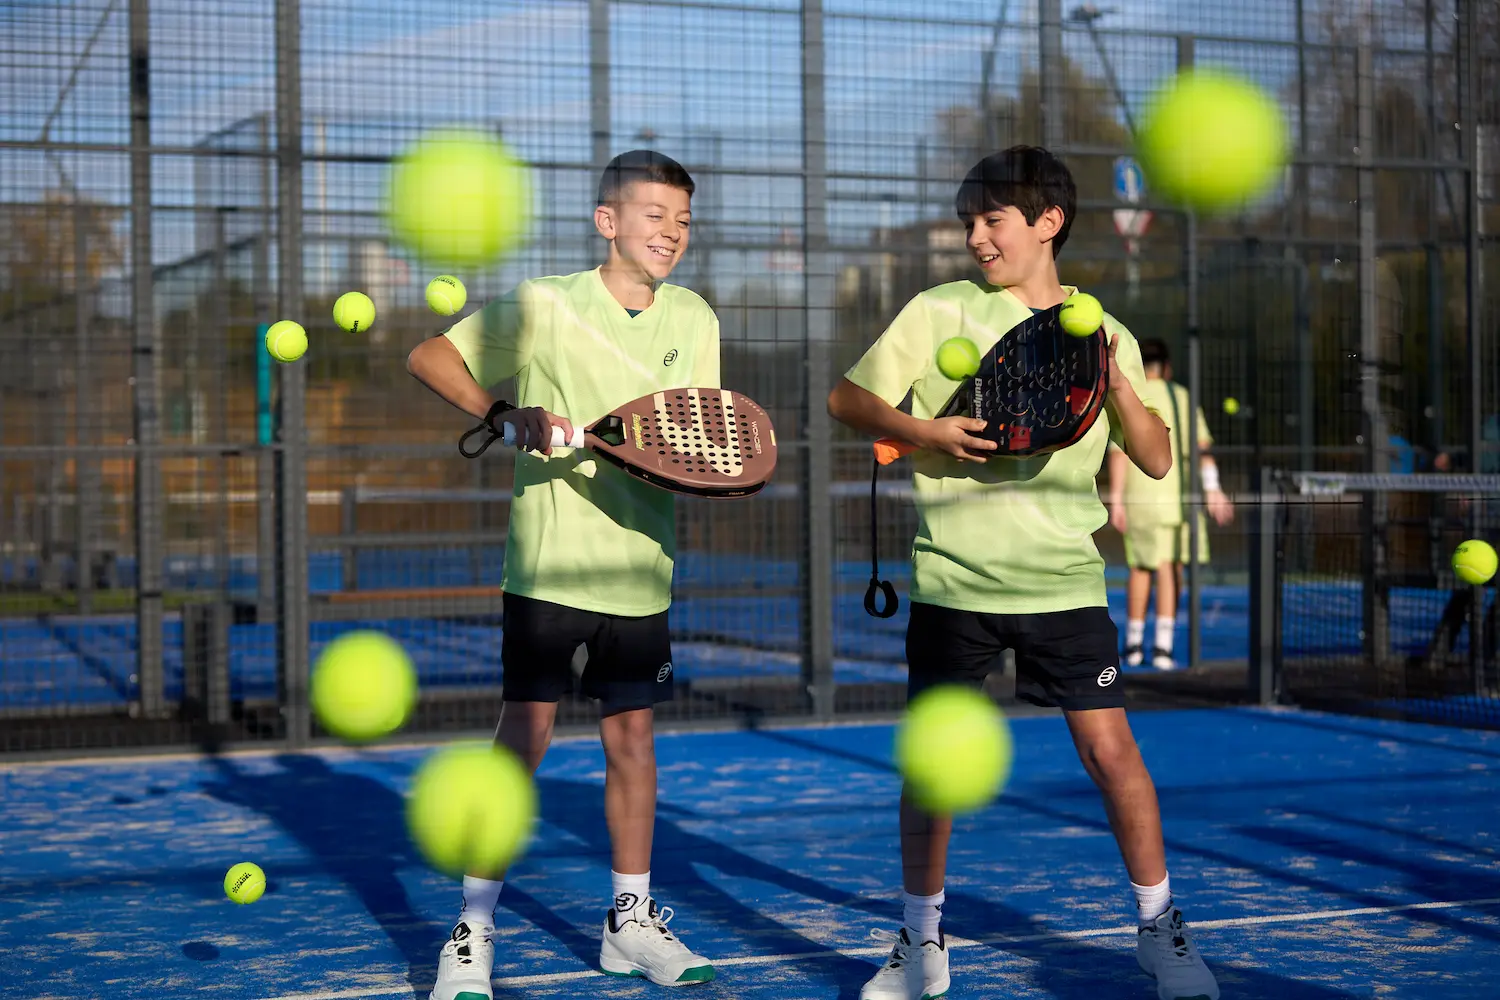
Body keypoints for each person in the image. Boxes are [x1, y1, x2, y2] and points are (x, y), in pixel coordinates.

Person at [826, 145, 1220, 1000]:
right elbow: (846, 400)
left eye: (992, 219)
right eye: (970, 221)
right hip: (953, 582)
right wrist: (927, 434)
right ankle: (921, 942)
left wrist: (1114, 384)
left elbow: (1153, 457)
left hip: (1063, 585)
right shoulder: (937, 310)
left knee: (1111, 751)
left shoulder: (1102, 327)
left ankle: (1161, 932)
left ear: (1048, 223)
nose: (976, 237)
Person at [406, 149, 719, 998]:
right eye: (655, 216)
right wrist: (504, 414)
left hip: (641, 571)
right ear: (607, 221)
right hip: (548, 566)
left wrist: (663, 461)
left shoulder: (694, 317)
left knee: (634, 740)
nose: (673, 234)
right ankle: (472, 931)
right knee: (524, 740)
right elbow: (431, 356)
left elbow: (698, 437)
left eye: (684, 221)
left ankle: (629, 921)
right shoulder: (544, 304)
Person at [1106, 338, 1234, 670]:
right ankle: (1163, 647)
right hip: (1181, 501)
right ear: (1168, 366)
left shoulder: (1132, 395)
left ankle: (1132, 645)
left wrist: (1117, 499)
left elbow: (1119, 453)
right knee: (1171, 567)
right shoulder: (1183, 397)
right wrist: (1214, 490)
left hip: (1142, 500)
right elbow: (1203, 448)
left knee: (1142, 568)